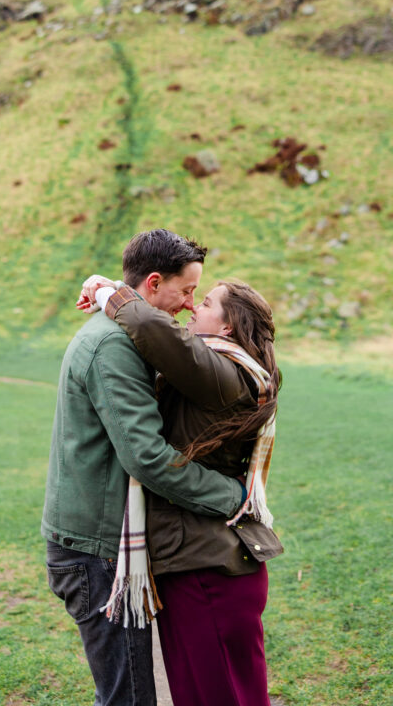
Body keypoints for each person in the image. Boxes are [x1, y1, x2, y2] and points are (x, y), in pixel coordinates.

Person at [41, 230, 249, 706]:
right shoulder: (113, 346)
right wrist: (233, 496)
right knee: (128, 699)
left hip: (101, 542)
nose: (190, 304)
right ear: (154, 283)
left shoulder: (124, 333)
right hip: (95, 552)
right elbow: (147, 458)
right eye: (187, 290)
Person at [81, 275, 283, 706]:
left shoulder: (222, 373)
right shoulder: (225, 371)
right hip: (209, 563)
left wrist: (103, 289)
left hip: (205, 571)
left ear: (227, 327)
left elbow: (154, 329)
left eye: (206, 302)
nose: (194, 308)